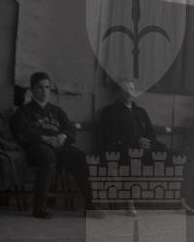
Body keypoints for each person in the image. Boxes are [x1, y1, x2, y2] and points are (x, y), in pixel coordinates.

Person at [11, 72, 103, 219]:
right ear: (32, 90)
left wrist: (63, 136)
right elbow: (21, 134)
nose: (44, 91)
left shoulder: (56, 111)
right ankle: (39, 207)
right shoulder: (24, 112)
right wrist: (44, 138)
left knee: (81, 158)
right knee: (47, 157)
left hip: (58, 147)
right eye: (40, 87)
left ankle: (90, 207)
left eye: (47, 87)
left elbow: (70, 130)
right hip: (37, 149)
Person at [97, 78, 167, 215]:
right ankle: (130, 202)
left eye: (131, 89)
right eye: (124, 90)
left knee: (172, 155)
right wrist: (136, 141)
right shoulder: (110, 111)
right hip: (120, 150)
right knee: (132, 157)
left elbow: (151, 133)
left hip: (144, 149)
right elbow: (111, 135)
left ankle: (178, 200)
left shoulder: (141, 111)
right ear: (117, 93)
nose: (128, 92)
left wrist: (148, 142)